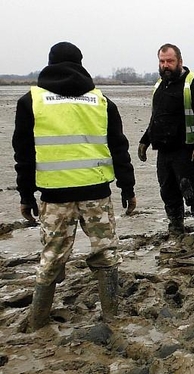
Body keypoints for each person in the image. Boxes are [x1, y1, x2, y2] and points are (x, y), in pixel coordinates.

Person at [13, 42, 137, 330]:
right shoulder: (102, 101)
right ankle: (112, 316)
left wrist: (25, 195)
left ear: (50, 63)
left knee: (51, 258)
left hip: (54, 198)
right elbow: (120, 149)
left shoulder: (30, 102)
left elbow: (24, 155)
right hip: (97, 195)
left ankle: (38, 322)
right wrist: (127, 188)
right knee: (106, 256)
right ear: (81, 64)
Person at [137, 43, 194, 238]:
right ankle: (176, 228)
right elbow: (156, 117)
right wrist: (145, 140)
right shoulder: (159, 85)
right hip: (164, 151)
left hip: (187, 152)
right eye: (162, 62)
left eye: (170, 61)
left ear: (180, 61)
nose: (165, 65)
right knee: (168, 193)